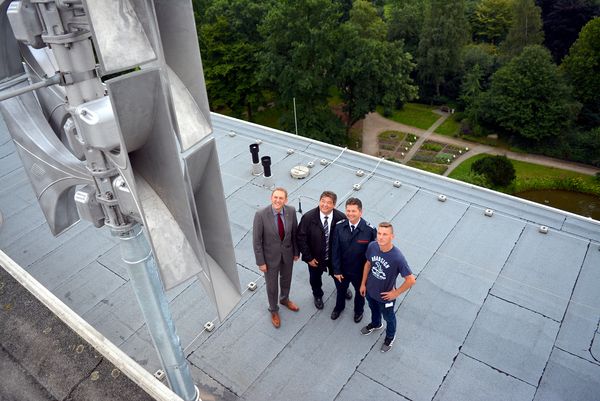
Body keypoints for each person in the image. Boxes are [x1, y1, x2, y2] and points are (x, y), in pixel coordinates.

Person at [360, 222, 416, 352]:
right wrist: (363, 284)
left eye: (385, 234)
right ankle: (376, 324)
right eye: (379, 233)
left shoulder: (397, 257)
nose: (381, 237)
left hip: (386, 297)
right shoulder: (372, 246)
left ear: (392, 236)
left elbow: (411, 280)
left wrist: (395, 294)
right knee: (373, 309)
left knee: (389, 317)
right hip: (370, 290)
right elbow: (368, 264)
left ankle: (390, 336)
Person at [253, 187, 300, 328]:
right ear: (271, 198)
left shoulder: (291, 211)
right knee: (272, 286)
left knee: (286, 280)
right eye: (275, 197)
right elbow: (256, 241)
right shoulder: (261, 215)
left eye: (281, 198)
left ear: (286, 200)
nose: (278, 200)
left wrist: (296, 252)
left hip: (287, 254)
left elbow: (294, 233)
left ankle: (284, 299)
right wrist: (260, 262)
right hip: (269, 258)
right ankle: (273, 310)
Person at [297, 191, 346, 310]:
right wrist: (309, 258)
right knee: (315, 278)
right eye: (323, 201)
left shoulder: (341, 218)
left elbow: (346, 239)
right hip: (315, 257)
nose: (325, 205)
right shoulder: (308, 218)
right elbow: (301, 238)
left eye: (329, 203)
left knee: (340, 277)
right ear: (319, 201)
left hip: (334, 257)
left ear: (334, 205)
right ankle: (317, 295)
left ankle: (343, 289)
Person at [331, 198, 377, 323]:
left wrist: (369, 275)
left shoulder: (370, 230)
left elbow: (373, 255)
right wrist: (336, 270)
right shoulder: (339, 227)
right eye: (348, 211)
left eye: (354, 211)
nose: (350, 214)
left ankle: (358, 311)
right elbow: (335, 249)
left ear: (360, 212)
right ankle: (339, 308)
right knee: (340, 291)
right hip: (343, 270)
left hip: (360, 272)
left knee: (360, 293)